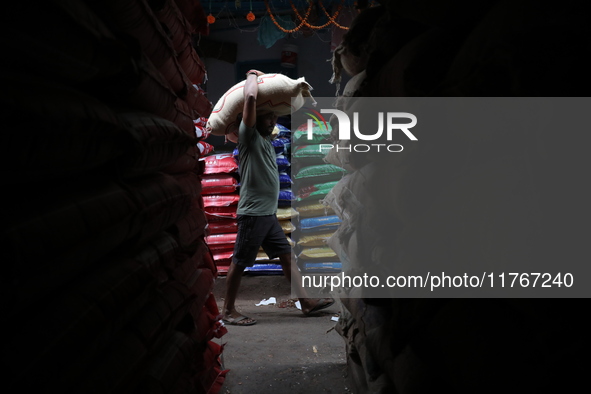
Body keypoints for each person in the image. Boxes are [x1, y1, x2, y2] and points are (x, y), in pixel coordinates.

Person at [222, 70, 334, 326]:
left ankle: (305, 302)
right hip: (254, 212)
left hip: (268, 212)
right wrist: (252, 75)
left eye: (274, 116)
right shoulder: (248, 136)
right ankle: (228, 311)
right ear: (255, 118)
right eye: (268, 116)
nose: (273, 120)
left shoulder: (265, 140)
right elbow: (250, 97)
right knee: (240, 261)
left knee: (286, 255)